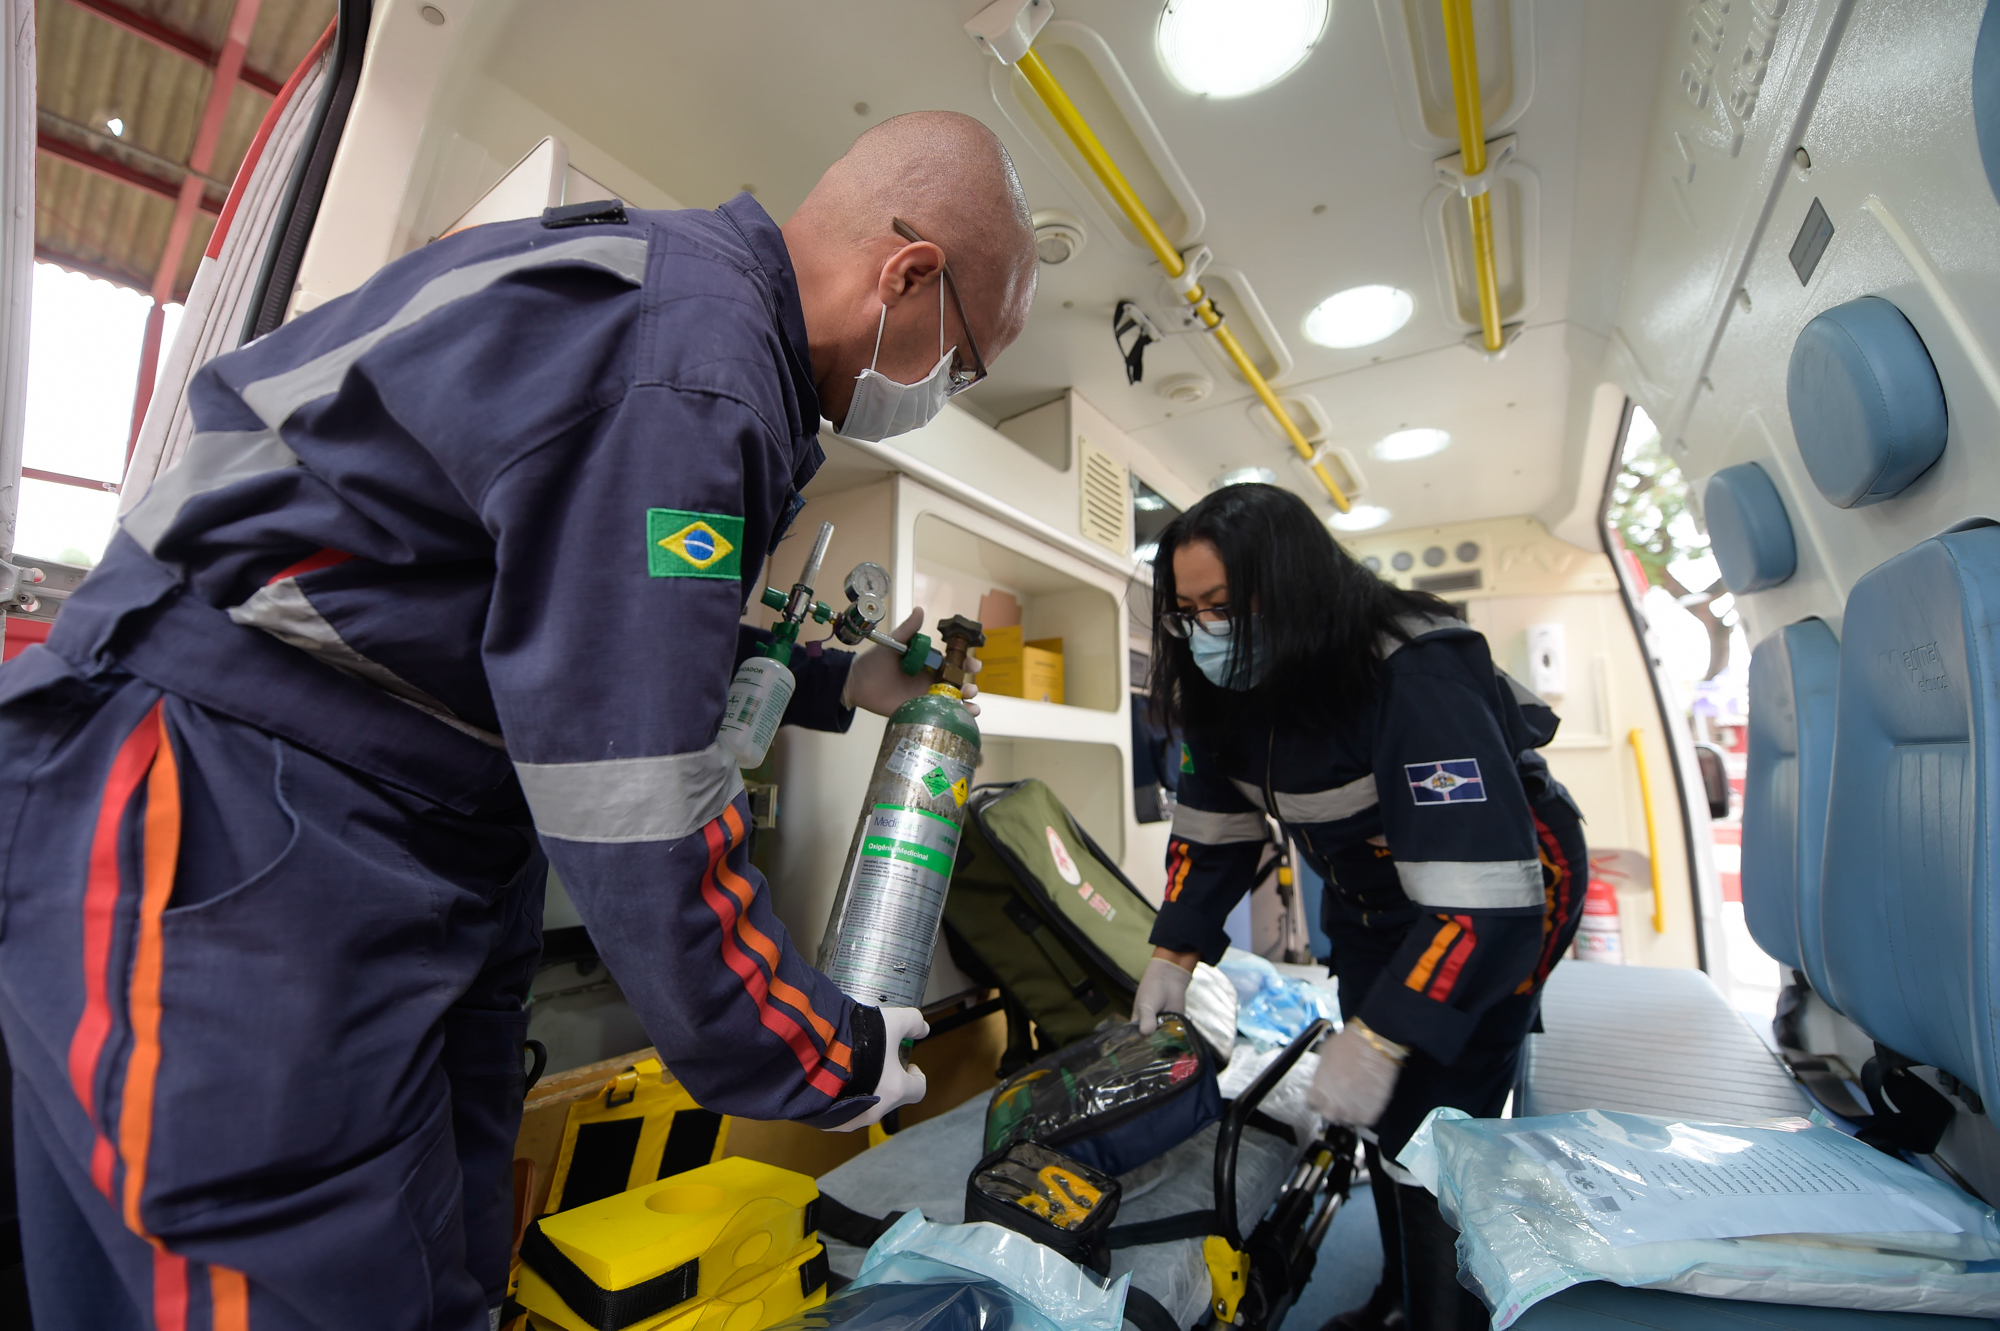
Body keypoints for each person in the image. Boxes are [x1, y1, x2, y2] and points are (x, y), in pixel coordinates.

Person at [0, 111, 1036, 1329]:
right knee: (286, 1281)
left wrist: (835, 680)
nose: (946, 392)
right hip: (227, 796)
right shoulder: (691, 372)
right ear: (908, 274)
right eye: (961, 363)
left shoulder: (692, 327)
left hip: (397, 820)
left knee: (439, 1264)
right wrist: (819, 1048)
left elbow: (594, 618)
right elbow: (639, 780)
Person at [1129, 484, 1587, 1331]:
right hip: (1370, 898)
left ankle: (1447, 1317)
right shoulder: (1220, 683)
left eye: (1224, 607)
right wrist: (1174, 953)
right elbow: (1214, 834)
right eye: (1188, 611)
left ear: (1295, 591)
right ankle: (1399, 1294)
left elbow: (1480, 905)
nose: (1206, 630)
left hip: (1500, 884)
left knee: (1441, 1120)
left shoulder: (1413, 668)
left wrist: (1383, 1034)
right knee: (1384, 1118)